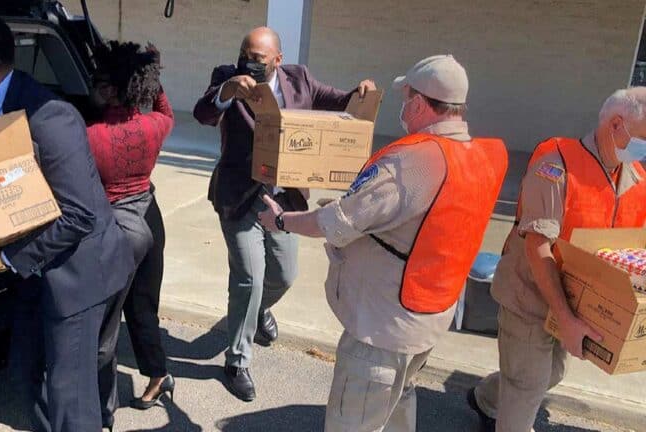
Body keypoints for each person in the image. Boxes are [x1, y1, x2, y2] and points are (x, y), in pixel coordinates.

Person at [258, 55, 508, 431]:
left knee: (354, 420)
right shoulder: (481, 156)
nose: (402, 106)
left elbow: (335, 223)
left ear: (420, 104)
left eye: (406, 98)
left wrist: (281, 220)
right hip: (429, 317)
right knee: (398, 401)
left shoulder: (412, 162)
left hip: (382, 328)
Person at [0, 10, 134, 432]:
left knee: (70, 398)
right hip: (35, 268)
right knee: (25, 374)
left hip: (78, 273)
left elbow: (79, 214)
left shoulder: (50, 116)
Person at [192, 26, 376, 402]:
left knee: (284, 275)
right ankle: (237, 362)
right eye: (244, 54)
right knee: (249, 279)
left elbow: (338, 102)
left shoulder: (299, 79)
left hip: (283, 199)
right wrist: (227, 91)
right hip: (241, 196)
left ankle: (257, 311)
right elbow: (203, 112)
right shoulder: (227, 77)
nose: (248, 62)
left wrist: (359, 92)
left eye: (257, 58)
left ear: (278, 59)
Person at [469, 87, 646, 432]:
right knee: (528, 384)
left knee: (551, 372)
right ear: (616, 125)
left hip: (573, 300)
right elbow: (538, 248)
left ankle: (485, 399)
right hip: (529, 294)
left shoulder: (635, 178)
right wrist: (566, 320)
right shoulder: (555, 165)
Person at [86, 40, 175, 412]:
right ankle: (158, 374)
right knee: (143, 305)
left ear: (110, 89)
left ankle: (99, 401)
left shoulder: (90, 134)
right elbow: (165, 109)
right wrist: (152, 76)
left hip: (115, 226)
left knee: (105, 320)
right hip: (150, 216)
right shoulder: (156, 126)